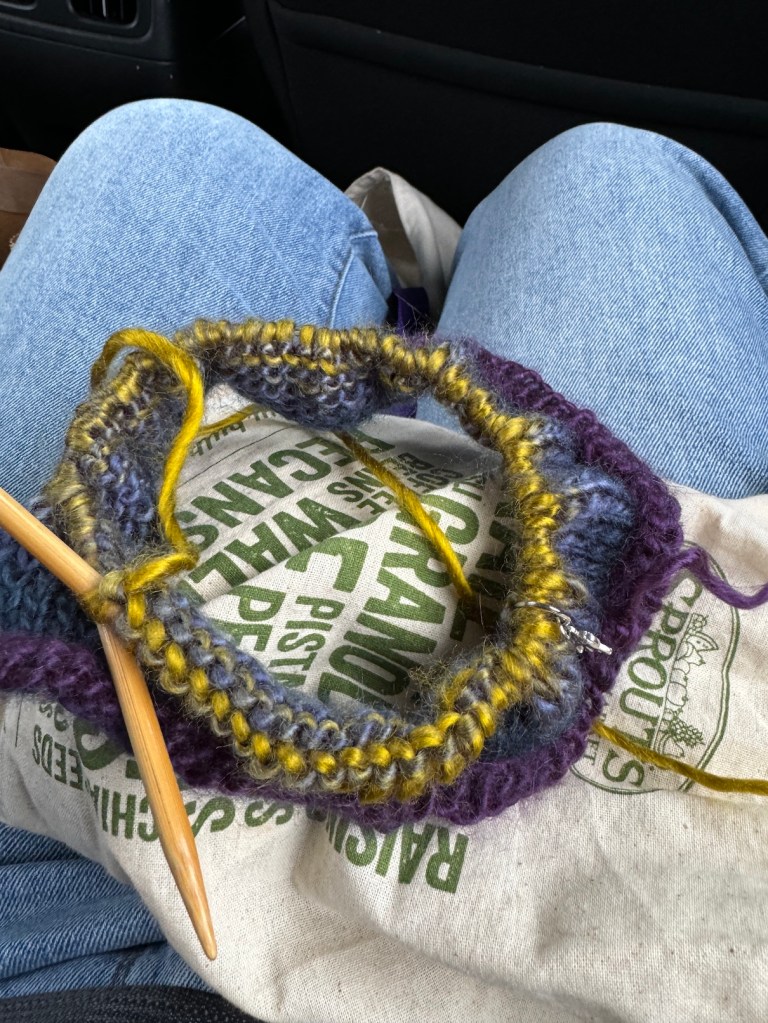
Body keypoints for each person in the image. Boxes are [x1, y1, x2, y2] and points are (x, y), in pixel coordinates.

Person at [0, 98, 766, 1004]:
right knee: (607, 175)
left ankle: (415, 296)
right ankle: (425, 289)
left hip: (36, 933)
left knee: (154, 153)